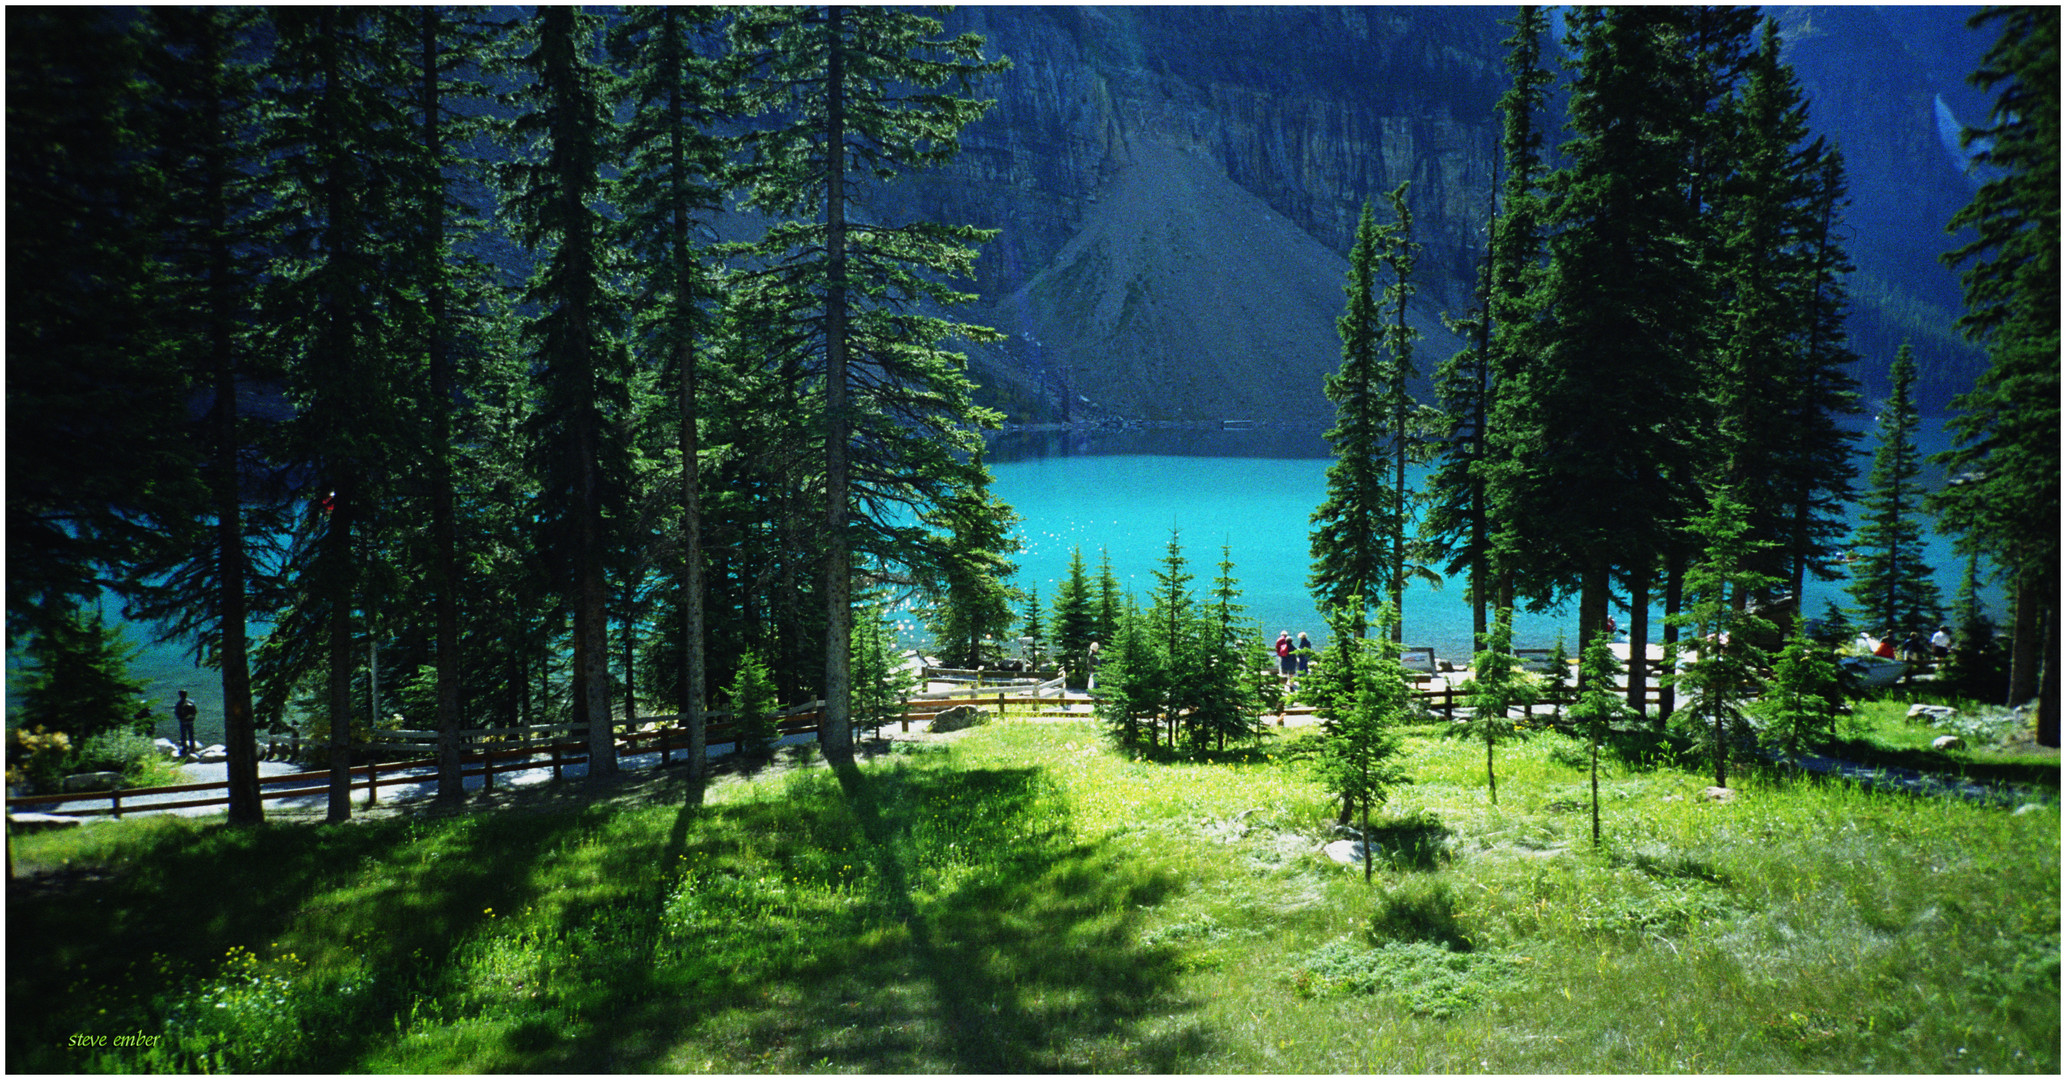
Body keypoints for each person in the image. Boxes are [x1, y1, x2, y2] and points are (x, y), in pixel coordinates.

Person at [173, 690, 198, 756]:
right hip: (190, 721)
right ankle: (192, 748)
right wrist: (192, 718)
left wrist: (181, 719)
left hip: (183, 721)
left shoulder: (179, 703)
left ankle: (184, 749)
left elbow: (177, 713)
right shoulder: (191, 702)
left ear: (180, 695)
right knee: (191, 735)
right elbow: (195, 712)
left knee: (183, 736)